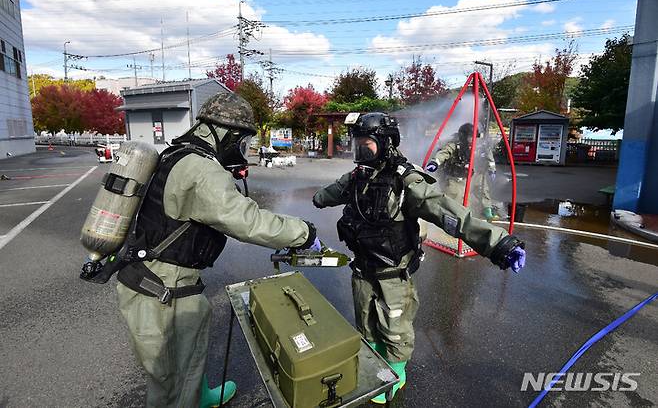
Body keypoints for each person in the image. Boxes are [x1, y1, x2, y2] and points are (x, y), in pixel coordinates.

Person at [116, 92, 321, 408]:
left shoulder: (178, 154)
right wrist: (303, 232)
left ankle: (201, 395)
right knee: (171, 385)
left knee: (186, 358)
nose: (243, 151)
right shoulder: (203, 170)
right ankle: (190, 399)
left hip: (153, 279)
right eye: (243, 143)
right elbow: (245, 221)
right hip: (163, 291)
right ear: (227, 134)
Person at [312, 112, 525, 404]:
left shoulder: (407, 181)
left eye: (367, 145)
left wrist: (499, 244)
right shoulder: (358, 177)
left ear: (385, 143)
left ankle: (396, 370)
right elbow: (332, 193)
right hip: (362, 269)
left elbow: (449, 214)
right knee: (366, 321)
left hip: (393, 274)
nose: (360, 150)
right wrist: (318, 199)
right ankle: (374, 363)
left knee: (395, 328)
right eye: (357, 144)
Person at [425, 123, 497, 220]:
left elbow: (489, 157)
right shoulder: (454, 144)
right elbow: (444, 153)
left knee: (482, 186)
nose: (473, 140)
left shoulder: (480, 145)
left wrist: (492, 169)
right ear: (464, 136)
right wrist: (435, 162)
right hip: (455, 177)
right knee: (457, 196)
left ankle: (487, 210)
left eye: (475, 137)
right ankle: (456, 217)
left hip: (471, 174)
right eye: (471, 137)